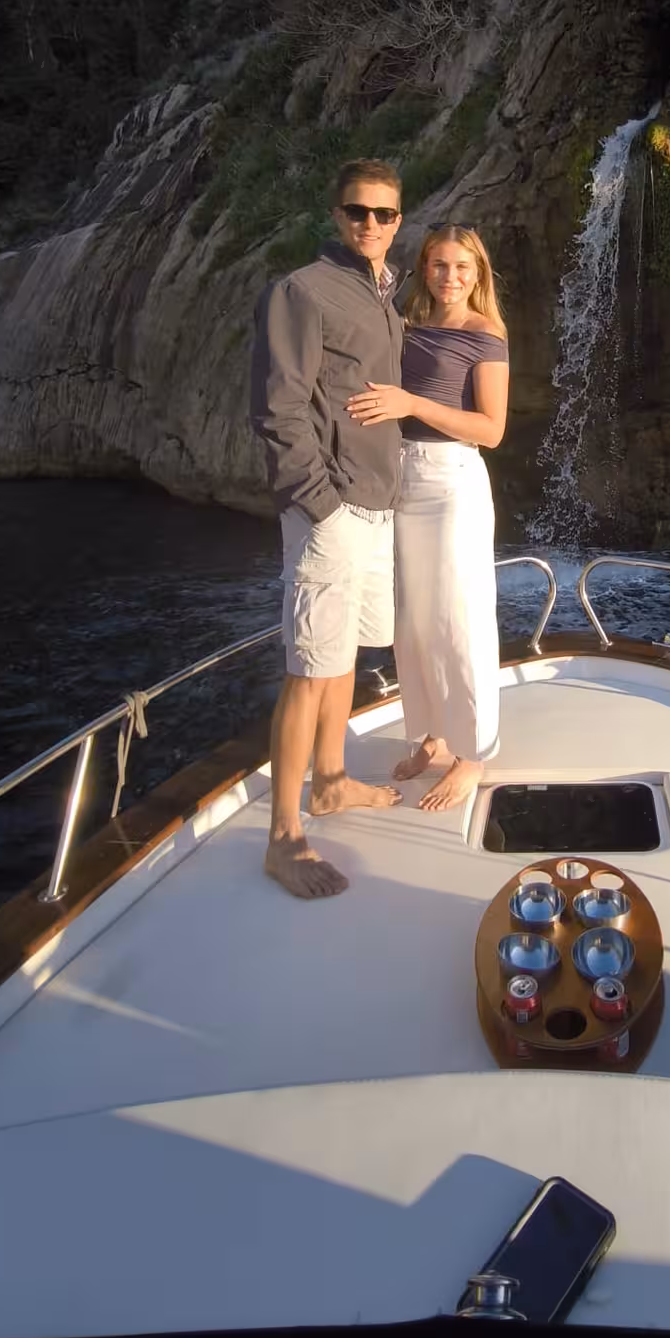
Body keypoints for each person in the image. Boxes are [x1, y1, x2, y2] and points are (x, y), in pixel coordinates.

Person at [249, 159, 407, 899]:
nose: (370, 224)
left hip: (378, 501)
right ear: (336, 213)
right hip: (333, 507)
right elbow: (280, 408)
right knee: (308, 668)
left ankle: (334, 781)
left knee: (341, 656)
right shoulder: (302, 290)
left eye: (384, 213)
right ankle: (284, 838)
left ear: (398, 219)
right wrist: (321, 503)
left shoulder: (384, 290)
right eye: (357, 212)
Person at [347, 226, 509, 812]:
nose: (450, 277)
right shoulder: (404, 323)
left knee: (458, 619)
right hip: (400, 479)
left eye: (462, 267)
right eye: (439, 266)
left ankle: (473, 754)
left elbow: (492, 430)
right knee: (411, 620)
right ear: (424, 268)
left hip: (452, 484)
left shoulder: (485, 334)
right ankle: (431, 737)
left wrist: (411, 404)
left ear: (478, 273)